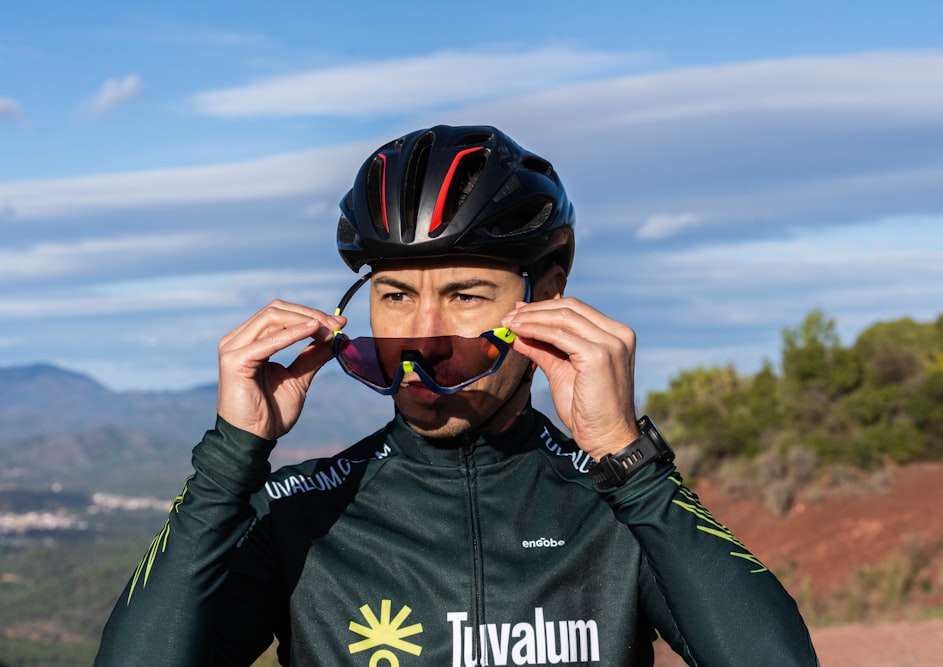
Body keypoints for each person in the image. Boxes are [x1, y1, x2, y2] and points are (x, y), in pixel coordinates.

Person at [95, 125, 818, 666]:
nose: (422, 336)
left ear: (551, 295)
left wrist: (629, 461)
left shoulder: (617, 506)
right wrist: (229, 462)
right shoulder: (299, 513)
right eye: (396, 294)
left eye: (466, 294)